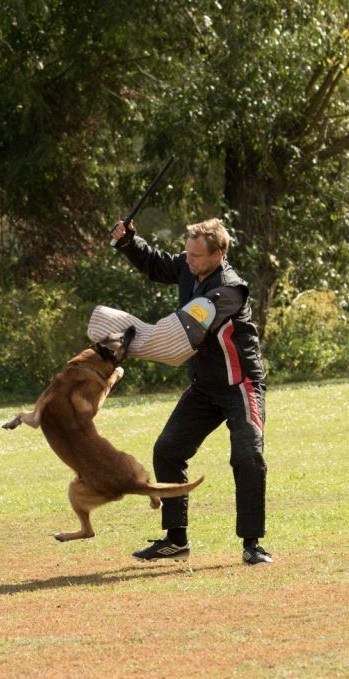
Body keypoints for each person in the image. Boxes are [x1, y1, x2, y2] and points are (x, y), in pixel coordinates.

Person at [110, 216, 272, 565]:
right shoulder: (189, 266)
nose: (189, 260)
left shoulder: (229, 290)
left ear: (218, 255)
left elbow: (188, 329)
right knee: (168, 450)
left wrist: (134, 340)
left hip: (241, 384)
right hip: (205, 387)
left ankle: (252, 545)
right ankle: (176, 540)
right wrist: (128, 241)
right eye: (188, 253)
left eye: (197, 256)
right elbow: (155, 264)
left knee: (248, 457)